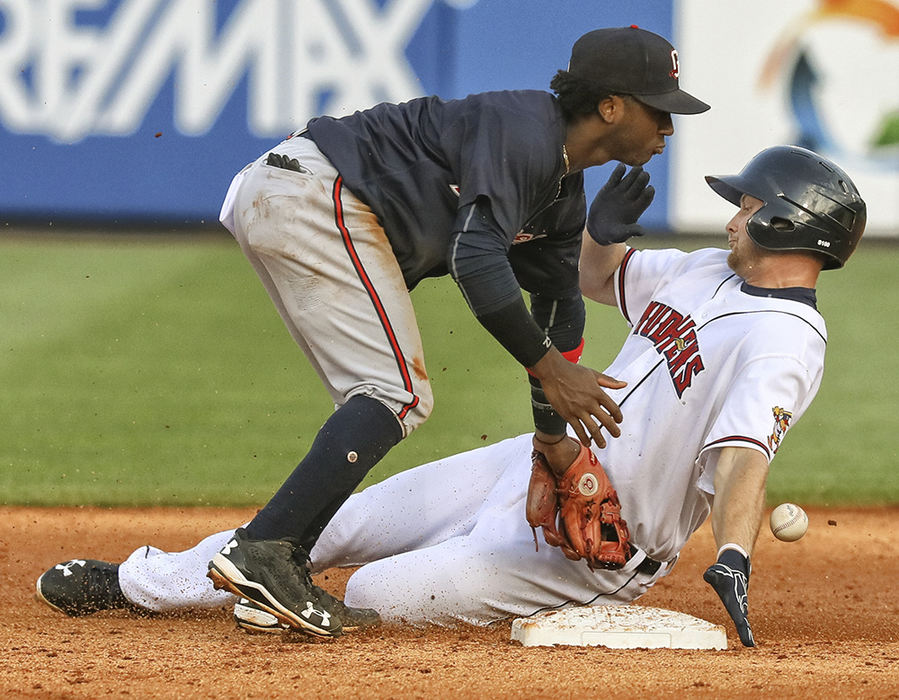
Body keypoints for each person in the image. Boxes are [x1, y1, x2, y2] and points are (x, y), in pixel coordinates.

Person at [35, 145, 866, 647]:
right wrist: (604, 232)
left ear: (792, 226)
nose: (730, 214)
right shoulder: (700, 269)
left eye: (747, 205)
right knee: (331, 523)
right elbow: (592, 278)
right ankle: (139, 582)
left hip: (590, 549)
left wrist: (731, 554)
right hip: (538, 465)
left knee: (371, 593)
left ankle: (311, 613)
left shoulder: (785, 342)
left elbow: (739, 453)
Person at [182, 25, 709, 638]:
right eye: (659, 110)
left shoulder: (561, 191)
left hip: (302, 197)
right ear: (611, 106)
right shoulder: (523, 129)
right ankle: (266, 552)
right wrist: (552, 370)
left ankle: (273, 562)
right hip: (313, 191)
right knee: (395, 393)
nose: (668, 129)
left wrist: (553, 442)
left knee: (382, 398)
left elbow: (560, 302)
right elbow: (476, 258)